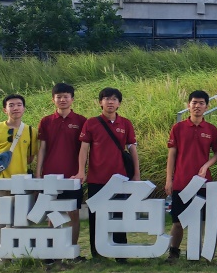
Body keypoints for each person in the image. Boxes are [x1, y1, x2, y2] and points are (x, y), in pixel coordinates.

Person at [73, 87, 139, 261]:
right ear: (100, 102)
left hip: (120, 179)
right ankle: (98, 254)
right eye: (107, 98)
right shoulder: (91, 123)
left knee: (119, 216)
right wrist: (81, 171)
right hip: (97, 179)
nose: (110, 102)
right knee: (96, 217)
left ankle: (120, 254)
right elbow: (84, 149)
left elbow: (132, 149)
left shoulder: (125, 124)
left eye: (114, 99)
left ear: (119, 103)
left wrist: (136, 174)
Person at [0, 94, 38, 265]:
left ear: (24, 108)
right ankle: (3, 256)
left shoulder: (31, 131)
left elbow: (30, 158)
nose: (15, 108)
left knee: (19, 222)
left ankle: (17, 254)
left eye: (19, 105)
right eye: (11, 105)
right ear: (4, 109)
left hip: (21, 183)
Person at [165, 90, 217, 262]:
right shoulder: (178, 128)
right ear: (188, 105)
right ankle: (173, 252)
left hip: (203, 184)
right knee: (178, 221)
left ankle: (197, 252)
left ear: (207, 106)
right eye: (194, 103)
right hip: (181, 182)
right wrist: (169, 179)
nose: (197, 106)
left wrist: (206, 165)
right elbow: (172, 154)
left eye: (201, 103)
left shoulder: (211, 129)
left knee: (201, 220)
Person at [35, 83, 87, 256]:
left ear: (72, 99)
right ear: (53, 99)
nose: (62, 100)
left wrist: (82, 171)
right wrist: (38, 173)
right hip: (50, 175)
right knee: (53, 214)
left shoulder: (81, 121)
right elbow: (42, 148)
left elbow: (84, 150)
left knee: (73, 213)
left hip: (73, 176)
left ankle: (72, 252)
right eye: (59, 97)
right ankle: (53, 252)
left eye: (66, 96)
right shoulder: (46, 121)